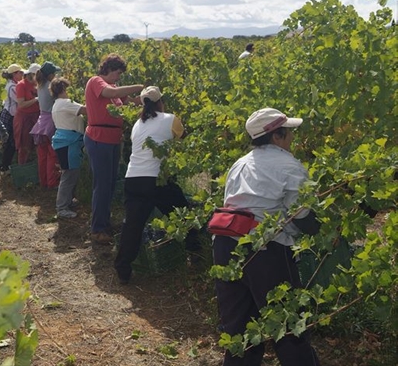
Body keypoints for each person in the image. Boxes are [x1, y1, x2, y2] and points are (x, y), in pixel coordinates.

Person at [213, 107, 321, 366]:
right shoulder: (289, 165)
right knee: (287, 326)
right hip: (265, 251)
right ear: (276, 136)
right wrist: (325, 227)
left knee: (240, 330)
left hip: (226, 246)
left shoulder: (240, 164)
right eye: (289, 133)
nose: (292, 138)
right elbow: (304, 216)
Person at [113, 86, 201, 284]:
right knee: (183, 214)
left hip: (133, 178)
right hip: (157, 179)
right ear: (161, 101)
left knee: (133, 226)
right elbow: (185, 142)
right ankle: (195, 254)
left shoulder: (138, 124)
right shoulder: (170, 119)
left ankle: (123, 269)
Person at [84, 53, 144, 245]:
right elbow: (111, 94)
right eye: (118, 72)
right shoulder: (96, 82)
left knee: (109, 184)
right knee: (101, 185)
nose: (119, 77)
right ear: (108, 69)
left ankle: (104, 223)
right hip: (98, 138)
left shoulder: (115, 88)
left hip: (112, 139)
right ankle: (98, 229)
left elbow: (131, 103)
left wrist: (147, 99)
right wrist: (139, 87)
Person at [50, 77, 86, 219]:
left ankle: (67, 201)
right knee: (69, 174)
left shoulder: (58, 104)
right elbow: (86, 110)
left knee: (70, 173)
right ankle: (62, 208)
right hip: (69, 142)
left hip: (65, 141)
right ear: (64, 89)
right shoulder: (66, 103)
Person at [30, 61, 62, 189]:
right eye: (54, 73)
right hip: (51, 122)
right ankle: (52, 183)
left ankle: (43, 182)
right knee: (52, 154)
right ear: (50, 75)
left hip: (41, 121)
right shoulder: (51, 86)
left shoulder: (40, 85)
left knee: (42, 155)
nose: (55, 75)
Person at [0, 64, 24, 172]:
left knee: (11, 142)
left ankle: (6, 166)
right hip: (10, 115)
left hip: (11, 114)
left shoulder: (13, 85)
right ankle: (5, 167)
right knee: (10, 142)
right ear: (14, 74)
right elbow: (19, 101)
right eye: (20, 73)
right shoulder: (12, 87)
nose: (22, 75)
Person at [14, 63, 41, 165]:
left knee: (37, 144)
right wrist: (35, 100)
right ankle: (22, 167)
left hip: (36, 116)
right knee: (24, 145)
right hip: (24, 118)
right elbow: (21, 104)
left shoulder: (37, 84)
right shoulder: (21, 85)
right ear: (30, 74)